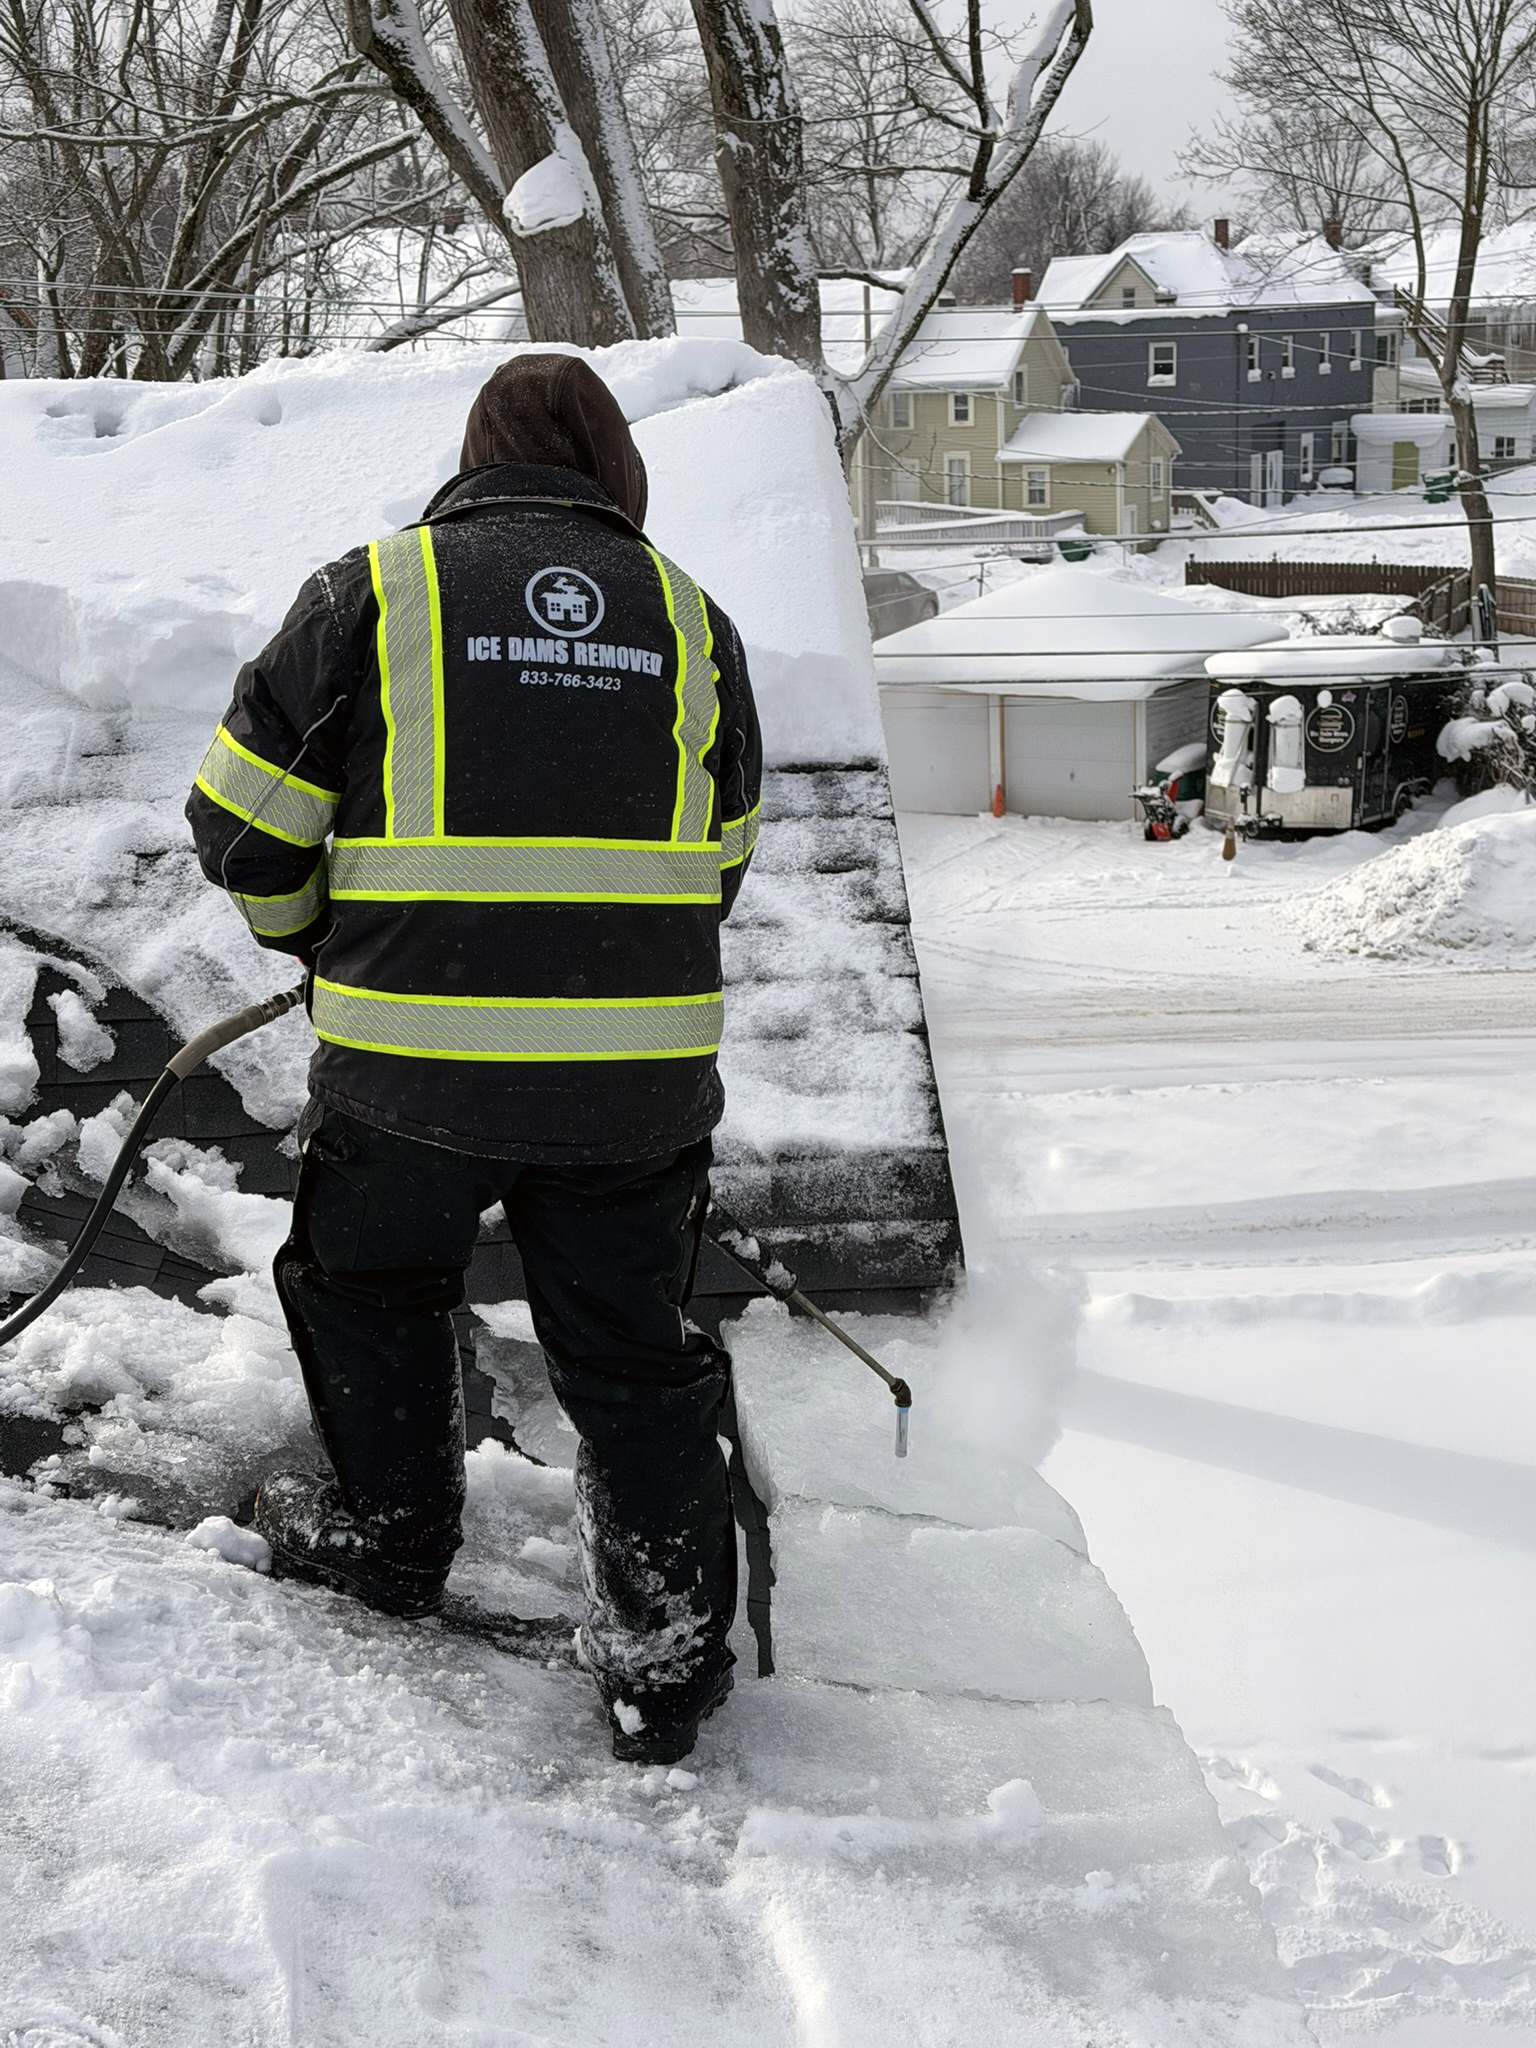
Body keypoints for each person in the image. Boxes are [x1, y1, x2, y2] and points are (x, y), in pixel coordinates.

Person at [186, 354, 761, 1766]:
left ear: (476, 451)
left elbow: (242, 828)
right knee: (631, 1358)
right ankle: (664, 1669)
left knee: (367, 1289)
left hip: (409, 1073)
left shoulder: (369, 595)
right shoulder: (693, 619)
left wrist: (317, 937)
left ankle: (391, 1545)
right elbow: (721, 862)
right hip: (635, 1084)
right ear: (615, 464)